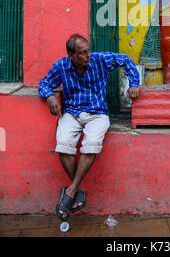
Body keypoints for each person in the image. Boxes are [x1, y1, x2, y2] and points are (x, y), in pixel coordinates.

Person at [39, 33, 140, 221]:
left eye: (88, 51)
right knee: (63, 144)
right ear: (71, 54)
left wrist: (134, 84)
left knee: (92, 143)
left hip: (97, 113)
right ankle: (78, 190)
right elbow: (44, 83)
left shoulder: (100, 60)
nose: (87, 56)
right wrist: (50, 96)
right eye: (82, 53)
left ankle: (70, 191)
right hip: (72, 113)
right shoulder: (61, 66)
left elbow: (126, 60)